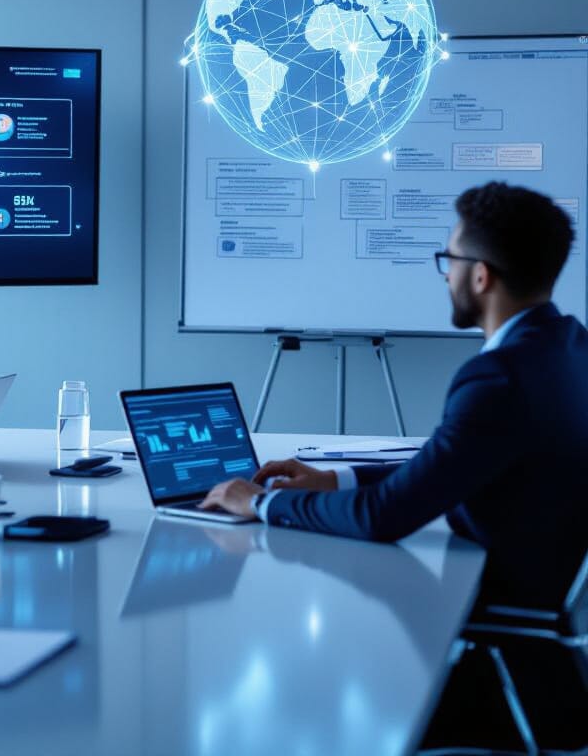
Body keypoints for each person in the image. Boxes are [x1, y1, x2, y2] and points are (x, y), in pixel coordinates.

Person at [201, 181, 588, 612]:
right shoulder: (570, 348)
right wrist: (335, 479)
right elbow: (449, 466)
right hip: (536, 589)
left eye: (450, 260)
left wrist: (260, 502)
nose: (446, 274)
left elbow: (381, 517)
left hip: (497, 617)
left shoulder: (498, 379)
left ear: (481, 276)